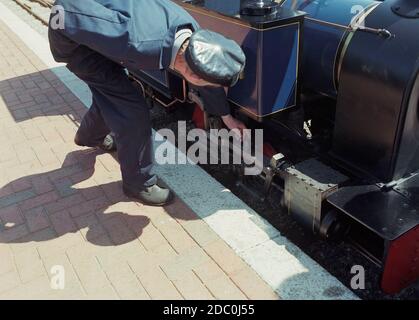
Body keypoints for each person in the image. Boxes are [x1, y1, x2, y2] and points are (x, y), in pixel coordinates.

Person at [48, 0, 246, 206]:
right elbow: (67, 10)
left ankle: (88, 136)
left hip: (109, 39)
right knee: (133, 113)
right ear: (191, 74)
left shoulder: (195, 38)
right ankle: (138, 183)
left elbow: (208, 80)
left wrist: (227, 117)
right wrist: (65, 53)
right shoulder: (136, 42)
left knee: (114, 98)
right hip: (79, 50)